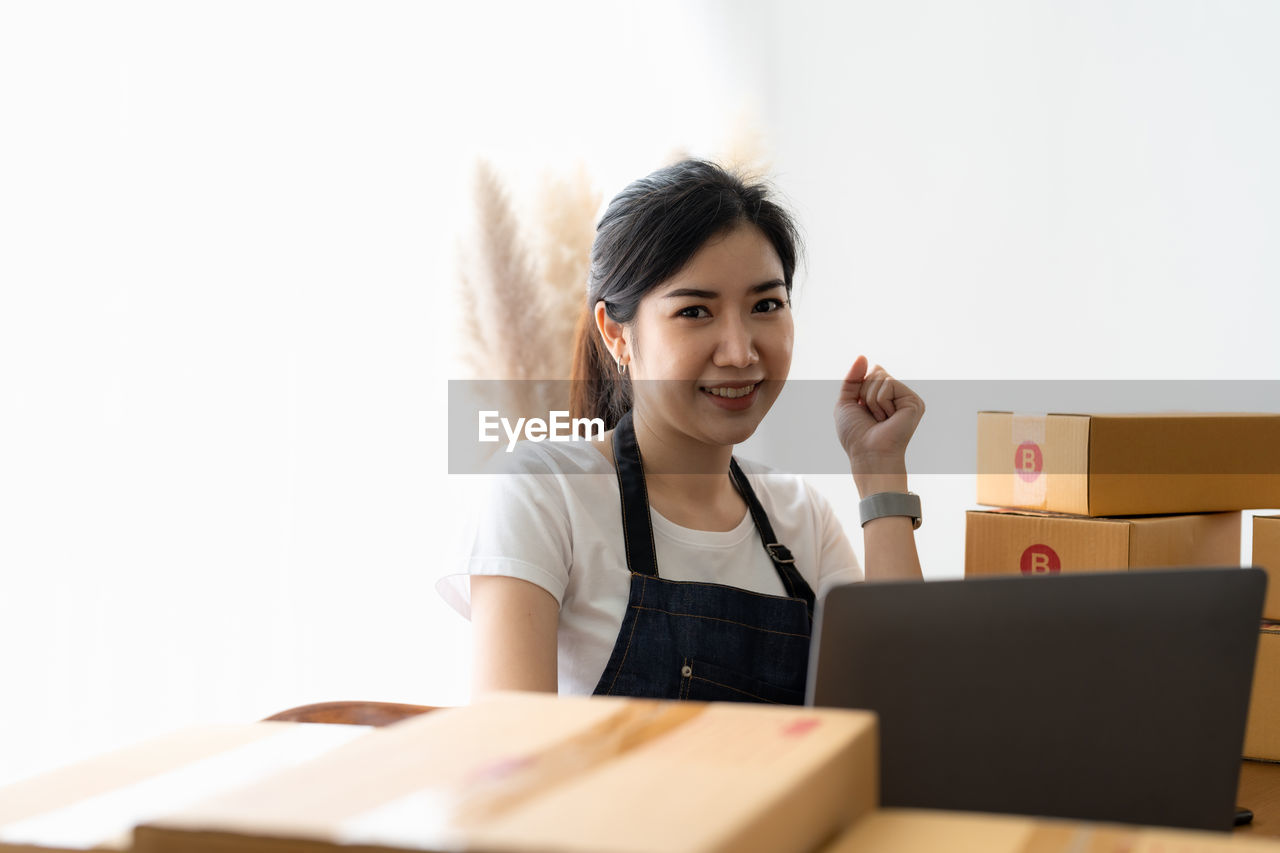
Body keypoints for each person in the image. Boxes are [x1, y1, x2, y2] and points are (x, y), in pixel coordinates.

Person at [438, 159, 924, 703]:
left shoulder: (800, 516)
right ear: (616, 334)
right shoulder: (544, 493)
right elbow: (510, 750)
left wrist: (879, 472)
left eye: (767, 304)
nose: (740, 352)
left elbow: (899, 713)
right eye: (695, 312)